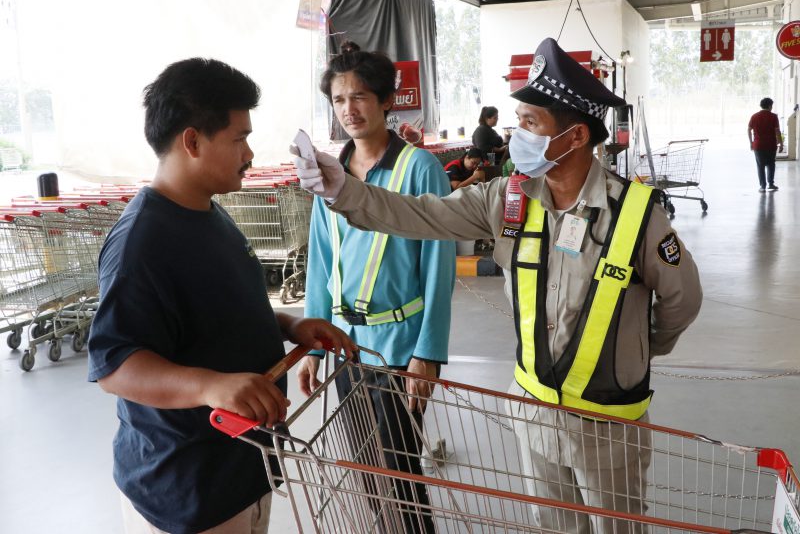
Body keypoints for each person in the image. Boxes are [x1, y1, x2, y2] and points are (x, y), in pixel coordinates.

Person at [292, 37, 703, 534]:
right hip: (533, 412)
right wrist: (344, 190)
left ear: (573, 137)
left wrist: (635, 349)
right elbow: (420, 213)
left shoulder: (636, 214)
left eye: (530, 123)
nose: (516, 135)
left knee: (617, 527)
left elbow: (682, 300)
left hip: (607, 423)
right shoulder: (506, 200)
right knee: (552, 525)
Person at [87, 58, 354, 534]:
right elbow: (115, 364)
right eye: (239, 139)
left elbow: (222, 306)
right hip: (185, 489)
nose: (249, 154)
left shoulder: (210, 214)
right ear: (192, 141)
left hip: (244, 467)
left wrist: (290, 325)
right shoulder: (141, 244)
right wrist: (210, 386)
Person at [295, 41, 456, 533]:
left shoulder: (419, 169)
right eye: (340, 99)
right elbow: (322, 264)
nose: (350, 109)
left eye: (361, 96)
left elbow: (438, 267)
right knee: (366, 468)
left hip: (400, 347)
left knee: (402, 474)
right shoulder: (329, 174)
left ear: (387, 100)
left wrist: (427, 353)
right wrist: (313, 346)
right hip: (346, 345)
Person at [748, 97, 783, 192]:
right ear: (769, 106)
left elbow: (749, 129)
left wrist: (751, 142)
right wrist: (781, 143)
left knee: (760, 166)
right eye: (772, 105)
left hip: (758, 145)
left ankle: (762, 186)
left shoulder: (754, 116)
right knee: (771, 164)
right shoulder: (773, 116)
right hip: (771, 145)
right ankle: (771, 184)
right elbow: (777, 131)